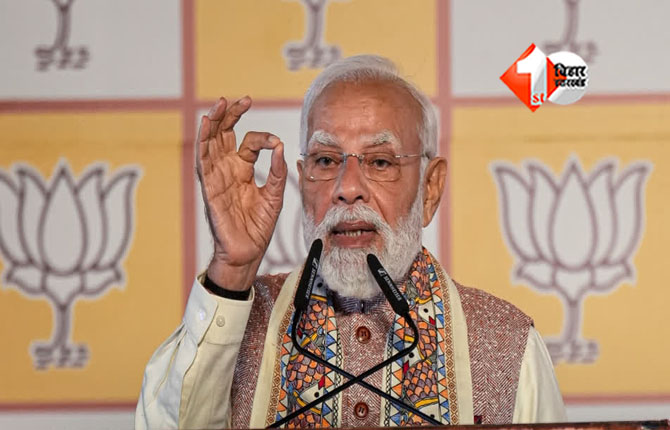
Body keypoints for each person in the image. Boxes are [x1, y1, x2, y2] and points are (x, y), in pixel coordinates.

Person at [135, 55, 566, 429]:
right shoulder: (241, 317)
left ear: (430, 189)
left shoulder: (506, 343)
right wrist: (231, 271)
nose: (347, 188)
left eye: (380, 162)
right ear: (302, 181)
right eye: (326, 160)